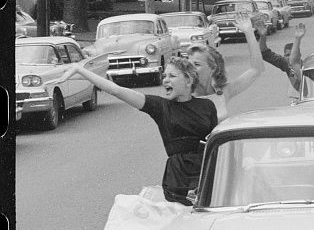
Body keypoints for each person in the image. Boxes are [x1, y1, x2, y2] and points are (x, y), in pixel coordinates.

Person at [61, 55, 218, 206]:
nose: (165, 80)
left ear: (188, 80)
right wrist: (80, 70)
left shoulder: (207, 107)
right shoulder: (160, 106)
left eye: (172, 76)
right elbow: (116, 90)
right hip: (180, 180)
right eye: (164, 76)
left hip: (207, 174)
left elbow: (216, 144)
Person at [187, 12, 264, 119]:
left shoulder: (222, 93)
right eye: (189, 64)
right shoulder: (183, 96)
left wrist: (249, 32)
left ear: (213, 68)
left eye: (196, 64)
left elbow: (257, 69)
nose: (190, 68)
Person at [255, 21, 305, 91]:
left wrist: (298, 39)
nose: (290, 57)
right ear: (284, 56)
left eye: (293, 54)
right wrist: (263, 36)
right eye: (287, 55)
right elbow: (264, 53)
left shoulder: (307, 67)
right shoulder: (286, 64)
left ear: (300, 55)